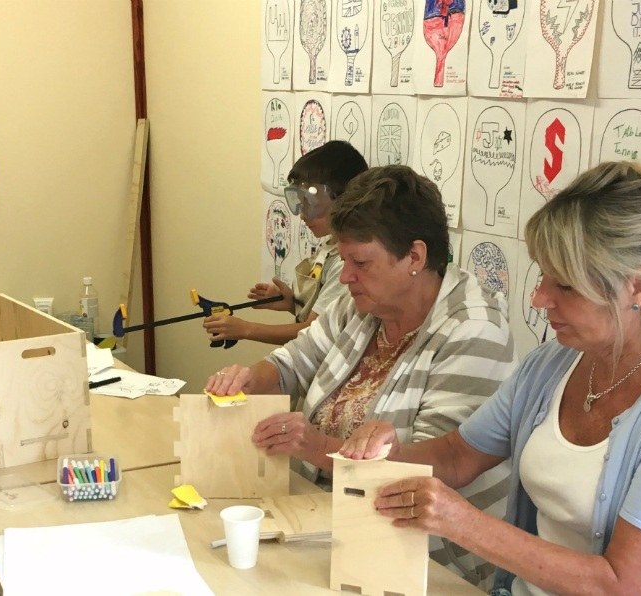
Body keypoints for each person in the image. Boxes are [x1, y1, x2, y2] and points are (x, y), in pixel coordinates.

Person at [338, 161, 641, 595]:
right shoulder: (554, 363)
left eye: (566, 286)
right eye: (543, 276)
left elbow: (618, 584)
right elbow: (459, 455)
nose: (539, 299)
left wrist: (461, 522)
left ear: (639, 287)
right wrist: (388, 455)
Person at [205, 165, 515, 586]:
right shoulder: (364, 305)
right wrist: (246, 380)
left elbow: (434, 469)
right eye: (343, 258)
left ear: (415, 257)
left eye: (360, 262)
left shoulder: (474, 330)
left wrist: (318, 448)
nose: (346, 275)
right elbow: (291, 363)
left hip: (428, 562)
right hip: (328, 523)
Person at [203, 141, 366, 346]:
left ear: (344, 200)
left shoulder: (346, 264)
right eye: (299, 202)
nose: (303, 215)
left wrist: (245, 329)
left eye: (311, 203)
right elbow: (324, 315)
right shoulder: (328, 247)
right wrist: (292, 303)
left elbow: (314, 333)